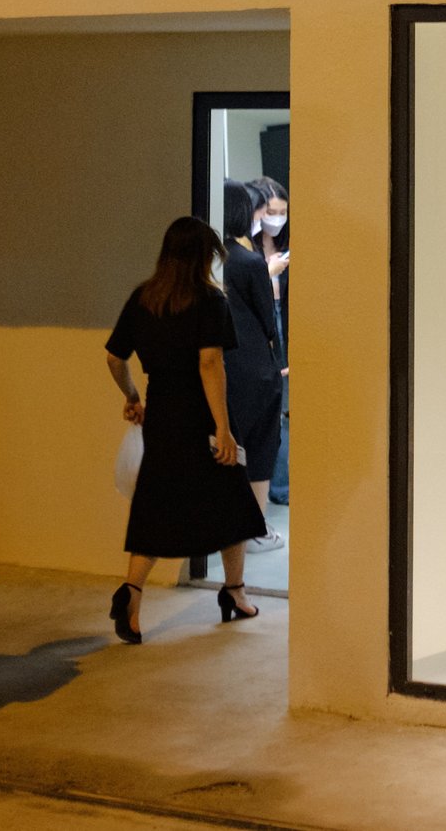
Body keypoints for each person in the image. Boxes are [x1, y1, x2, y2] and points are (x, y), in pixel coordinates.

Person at [104, 217, 267, 642]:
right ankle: (234, 592)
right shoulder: (209, 301)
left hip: (161, 414)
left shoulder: (143, 297)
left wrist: (133, 396)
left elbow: (115, 358)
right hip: (201, 417)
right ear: (202, 256)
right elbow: (209, 363)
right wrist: (223, 429)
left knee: (156, 505)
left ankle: (132, 592)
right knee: (234, 500)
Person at [220, 181, 287, 549]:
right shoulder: (249, 263)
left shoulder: (207, 262)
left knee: (226, 447)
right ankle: (255, 530)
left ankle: (226, 526)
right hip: (255, 368)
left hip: (219, 366)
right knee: (259, 447)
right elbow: (267, 322)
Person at [250, 176, 291, 508]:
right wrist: (269, 272)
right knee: (265, 410)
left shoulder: (289, 245)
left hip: (286, 323)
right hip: (261, 327)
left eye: (282, 213)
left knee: (287, 406)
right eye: (271, 212)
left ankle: (282, 486)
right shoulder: (244, 249)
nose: (277, 219)